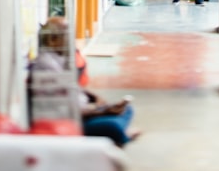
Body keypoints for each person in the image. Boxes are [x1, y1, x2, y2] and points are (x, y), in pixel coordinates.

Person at [30, 16, 141, 147]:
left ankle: (119, 131)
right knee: (112, 126)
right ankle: (121, 135)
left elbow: (71, 87)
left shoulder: (61, 58)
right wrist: (103, 111)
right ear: (52, 40)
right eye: (67, 36)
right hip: (74, 119)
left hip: (86, 109)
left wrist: (93, 98)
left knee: (127, 109)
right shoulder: (46, 65)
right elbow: (65, 109)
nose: (72, 41)